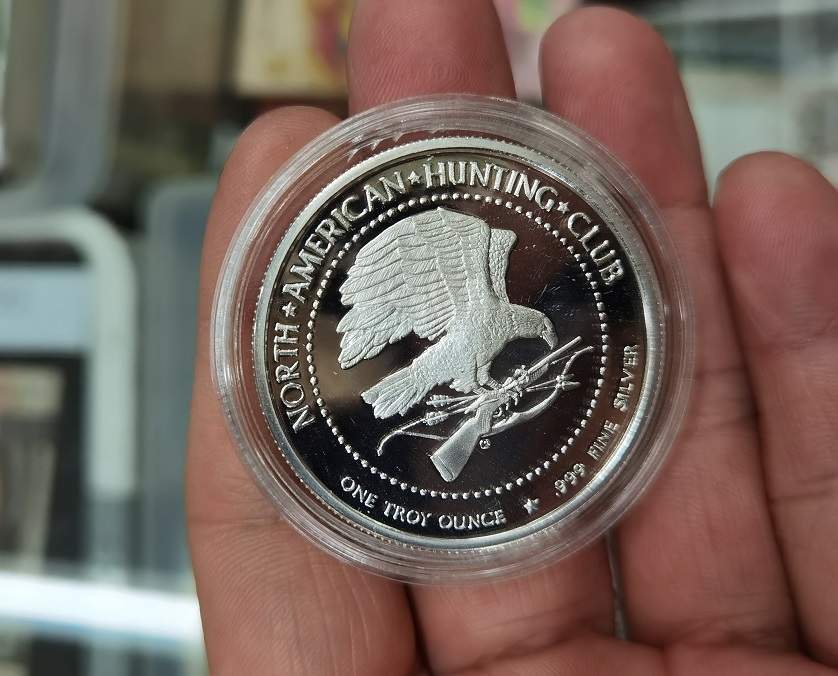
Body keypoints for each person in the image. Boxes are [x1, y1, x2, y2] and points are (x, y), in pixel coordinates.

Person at [185, 2, 838, 673]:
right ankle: (448, 398)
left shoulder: (505, 310)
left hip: (464, 381)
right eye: (537, 327)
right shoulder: (479, 276)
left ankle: (466, 399)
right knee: (478, 237)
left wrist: (494, 393)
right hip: (441, 365)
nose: (538, 331)